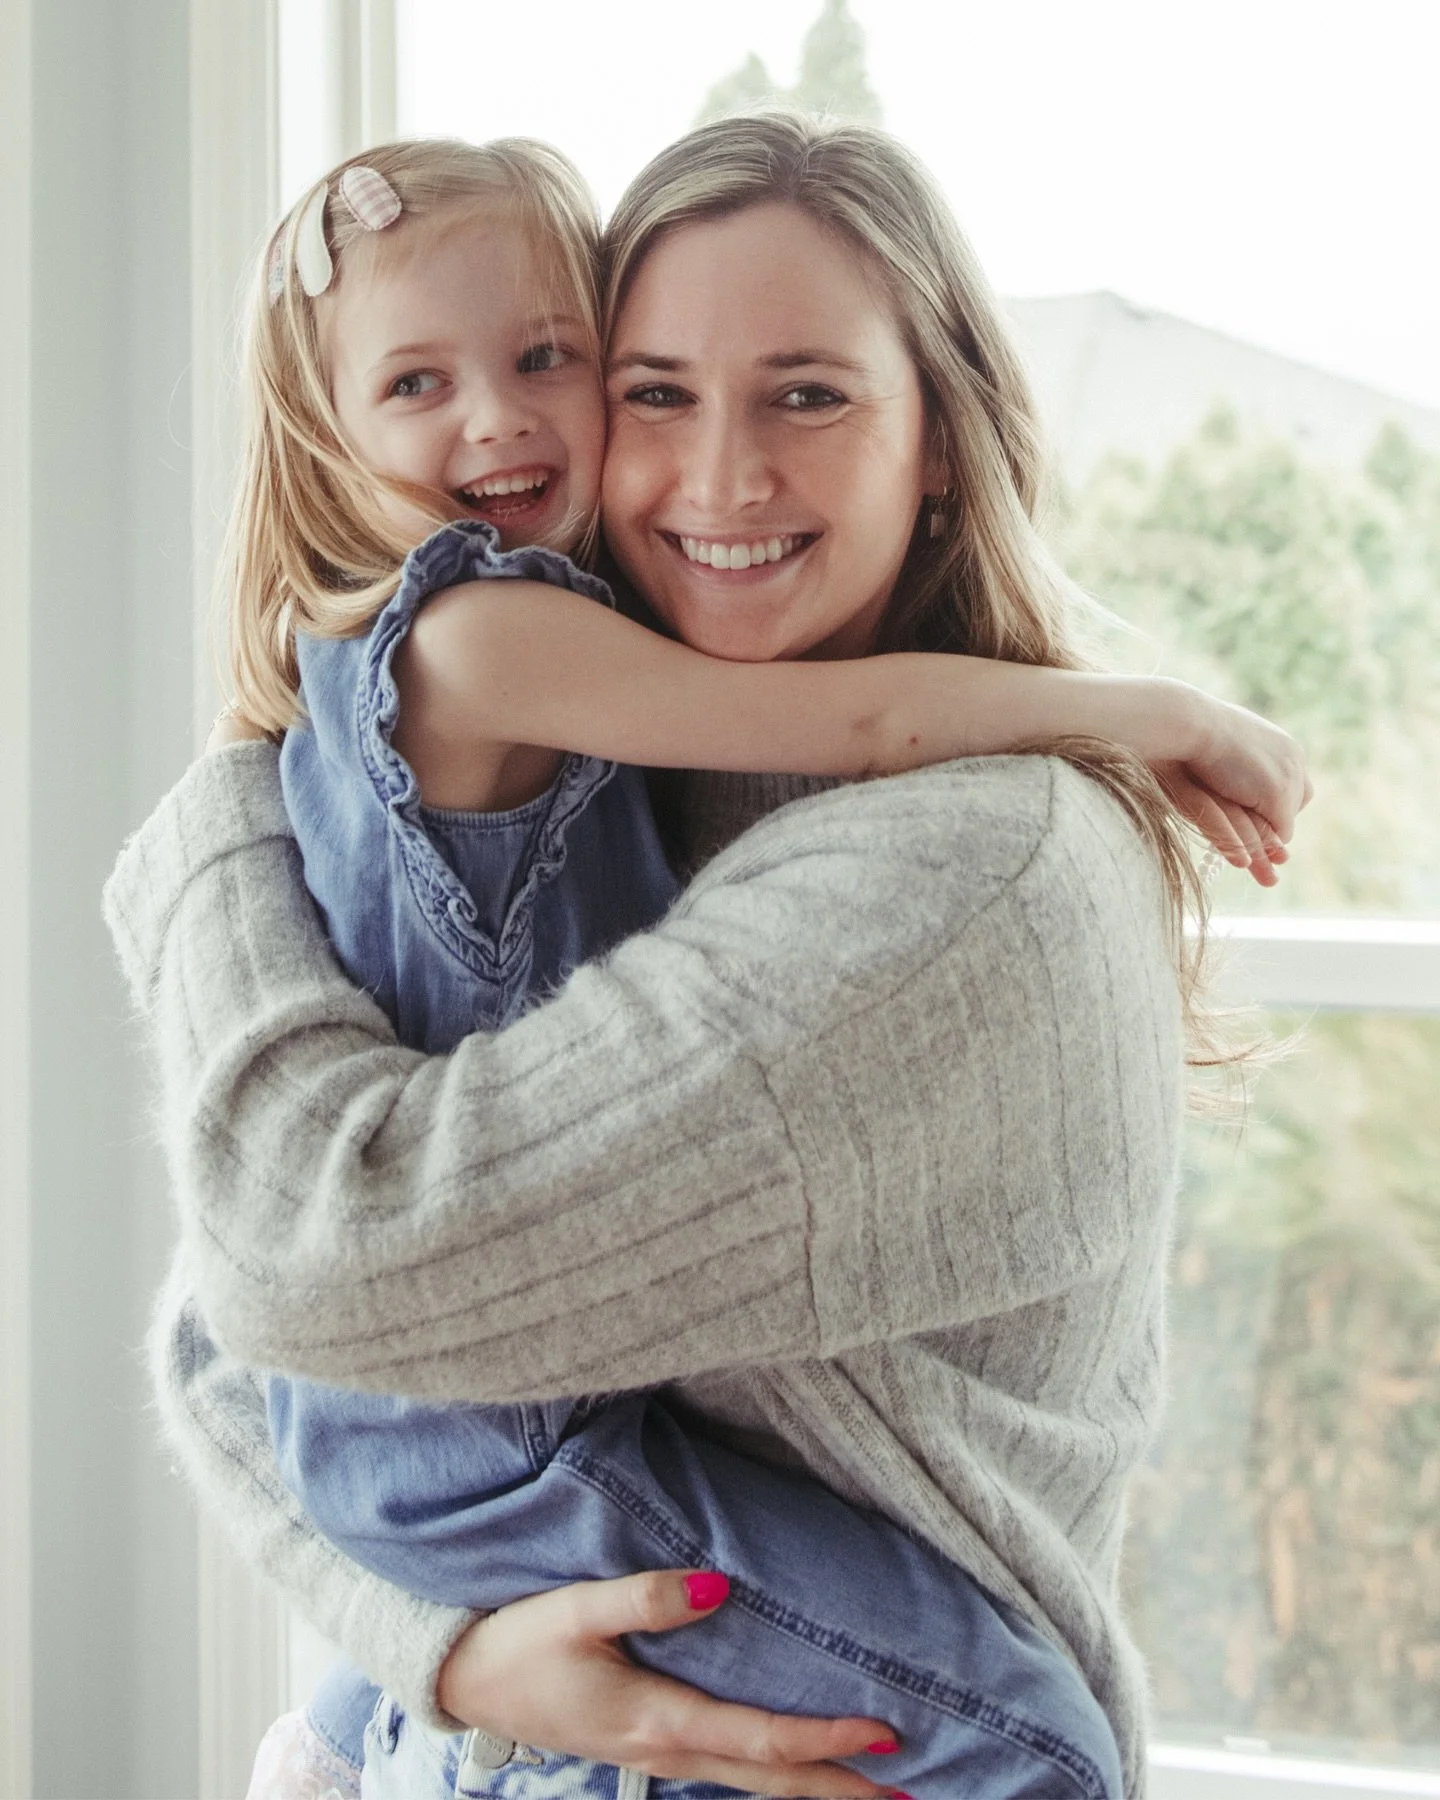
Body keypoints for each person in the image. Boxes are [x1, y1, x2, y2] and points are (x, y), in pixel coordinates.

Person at [107, 115, 1310, 1800]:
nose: (721, 476)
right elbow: (228, 1332)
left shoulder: (971, 875)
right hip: (504, 1709)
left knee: (1039, 1752)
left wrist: (214, 842)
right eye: (658, 391)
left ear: (941, 434)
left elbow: (301, 1268)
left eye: (807, 394)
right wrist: (439, 1650)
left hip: (699, 1736)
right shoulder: (590, 763)